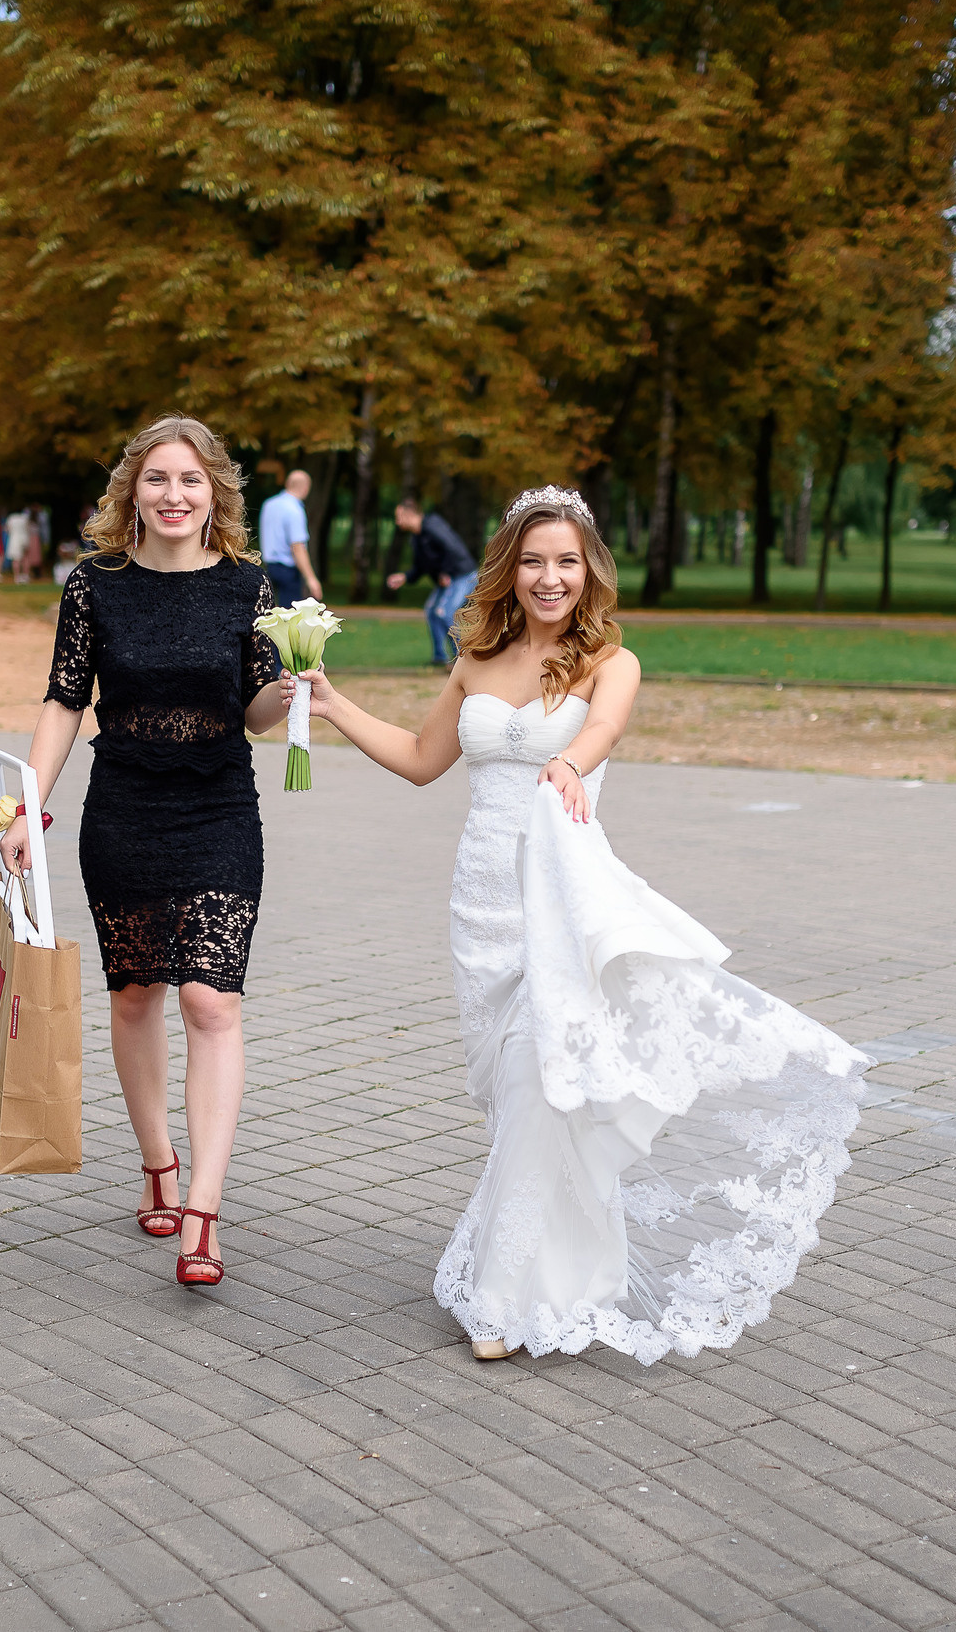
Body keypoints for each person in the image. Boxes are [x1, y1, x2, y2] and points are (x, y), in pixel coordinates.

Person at [295, 486, 866, 1364]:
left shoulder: (612, 660)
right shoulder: (476, 656)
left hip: (560, 902)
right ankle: (577, 1274)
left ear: (589, 569)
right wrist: (333, 706)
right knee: (518, 1097)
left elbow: (599, 730)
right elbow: (419, 759)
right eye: (532, 560)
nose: (549, 577)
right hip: (479, 904)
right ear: (509, 570)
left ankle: (499, 1299)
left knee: (541, 1079)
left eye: (566, 560)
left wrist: (566, 761)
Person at [0, 414, 289, 1288]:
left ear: (215, 495)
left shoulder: (250, 586)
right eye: (157, 479)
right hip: (122, 808)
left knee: (211, 1000)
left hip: (219, 808)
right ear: (133, 491)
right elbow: (63, 702)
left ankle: (201, 1210)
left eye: (191, 480)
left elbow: (261, 713)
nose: (173, 495)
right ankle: (157, 1159)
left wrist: (294, 684)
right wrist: (26, 805)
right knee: (136, 997)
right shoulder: (95, 585)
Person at [385, 497, 478, 665]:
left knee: (445, 613)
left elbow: (452, 548)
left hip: (462, 575)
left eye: (399, 517)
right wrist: (405, 577)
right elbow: (421, 566)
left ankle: (462, 660)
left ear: (409, 515)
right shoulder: (417, 537)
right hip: (449, 577)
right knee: (432, 611)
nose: (397, 522)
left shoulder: (433, 526)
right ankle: (440, 657)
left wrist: (445, 572)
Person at [258, 470, 323, 604]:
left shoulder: (269, 504)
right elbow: (297, 546)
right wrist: (311, 578)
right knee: (289, 618)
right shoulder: (295, 510)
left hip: (269, 566)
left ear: (288, 484)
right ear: (306, 488)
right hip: (288, 569)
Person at [2, 506, 33, 584]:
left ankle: (17, 577)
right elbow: (28, 528)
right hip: (25, 538)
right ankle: (25, 576)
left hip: (15, 539)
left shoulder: (11, 518)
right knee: (25, 558)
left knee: (16, 559)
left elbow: (7, 529)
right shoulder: (25, 518)